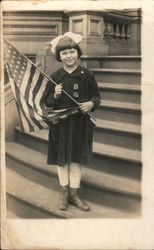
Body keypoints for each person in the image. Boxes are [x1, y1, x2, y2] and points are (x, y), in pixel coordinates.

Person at [42, 32, 101, 212]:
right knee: (62, 161)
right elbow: (46, 101)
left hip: (80, 125)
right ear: (59, 56)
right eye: (64, 53)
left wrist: (91, 104)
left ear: (78, 53)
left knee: (76, 160)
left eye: (71, 52)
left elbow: (96, 96)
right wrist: (56, 95)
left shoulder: (87, 75)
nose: (69, 56)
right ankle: (64, 192)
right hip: (60, 125)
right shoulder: (55, 76)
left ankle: (74, 194)